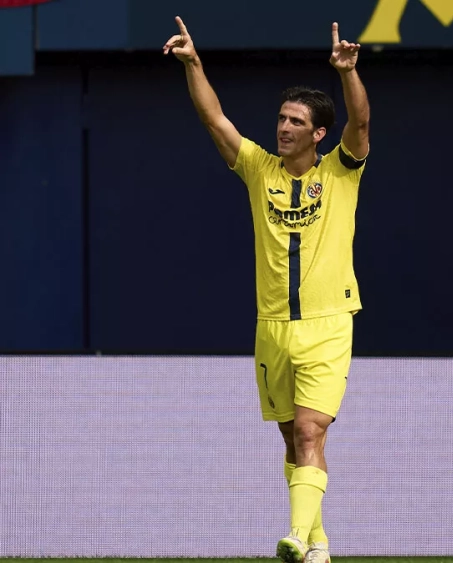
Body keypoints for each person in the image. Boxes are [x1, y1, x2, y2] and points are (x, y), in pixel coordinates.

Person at [164, 16, 371, 563]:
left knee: (309, 431)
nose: (283, 128)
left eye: (295, 121)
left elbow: (362, 124)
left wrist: (349, 74)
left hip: (328, 324)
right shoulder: (259, 168)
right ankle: (320, 542)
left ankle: (297, 538)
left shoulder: (342, 171)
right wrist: (194, 65)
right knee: (293, 441)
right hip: (272, 326)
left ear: (318, 132)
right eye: (281, 118)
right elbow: (214, 118)